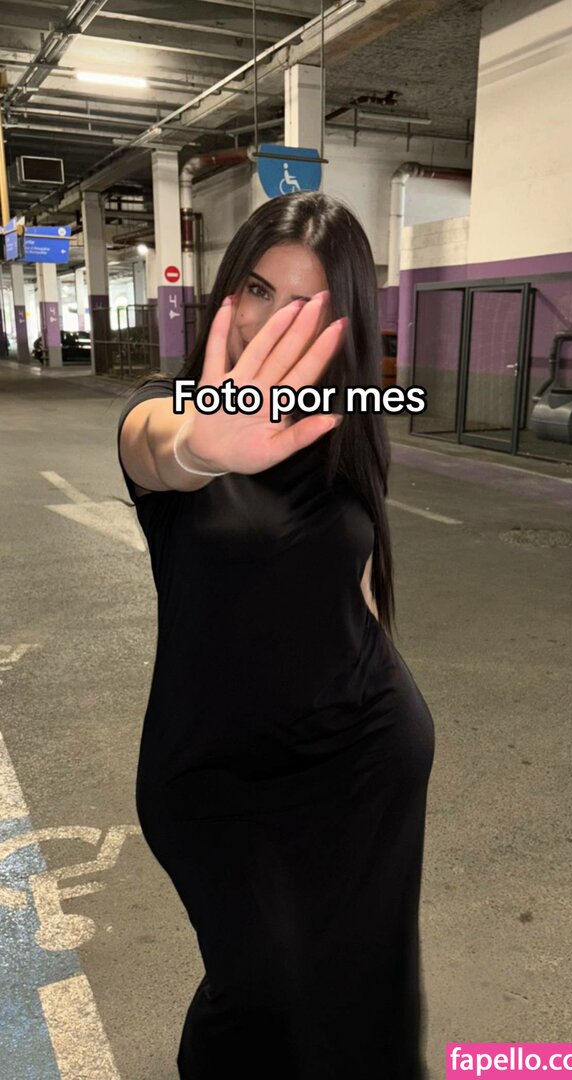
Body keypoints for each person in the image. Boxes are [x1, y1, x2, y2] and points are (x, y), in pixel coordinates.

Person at [116, 191, 435, 1079]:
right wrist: (198, 449)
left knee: (367, 984)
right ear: (228, 288)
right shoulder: (174, 410)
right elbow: (155, 448)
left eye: (306, 304)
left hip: (364, 757)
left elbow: (353, 579)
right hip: (218, 778)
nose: (270, 322)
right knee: (263, 990)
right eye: (258, 289)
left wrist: (397, 702)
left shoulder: (343, 425)